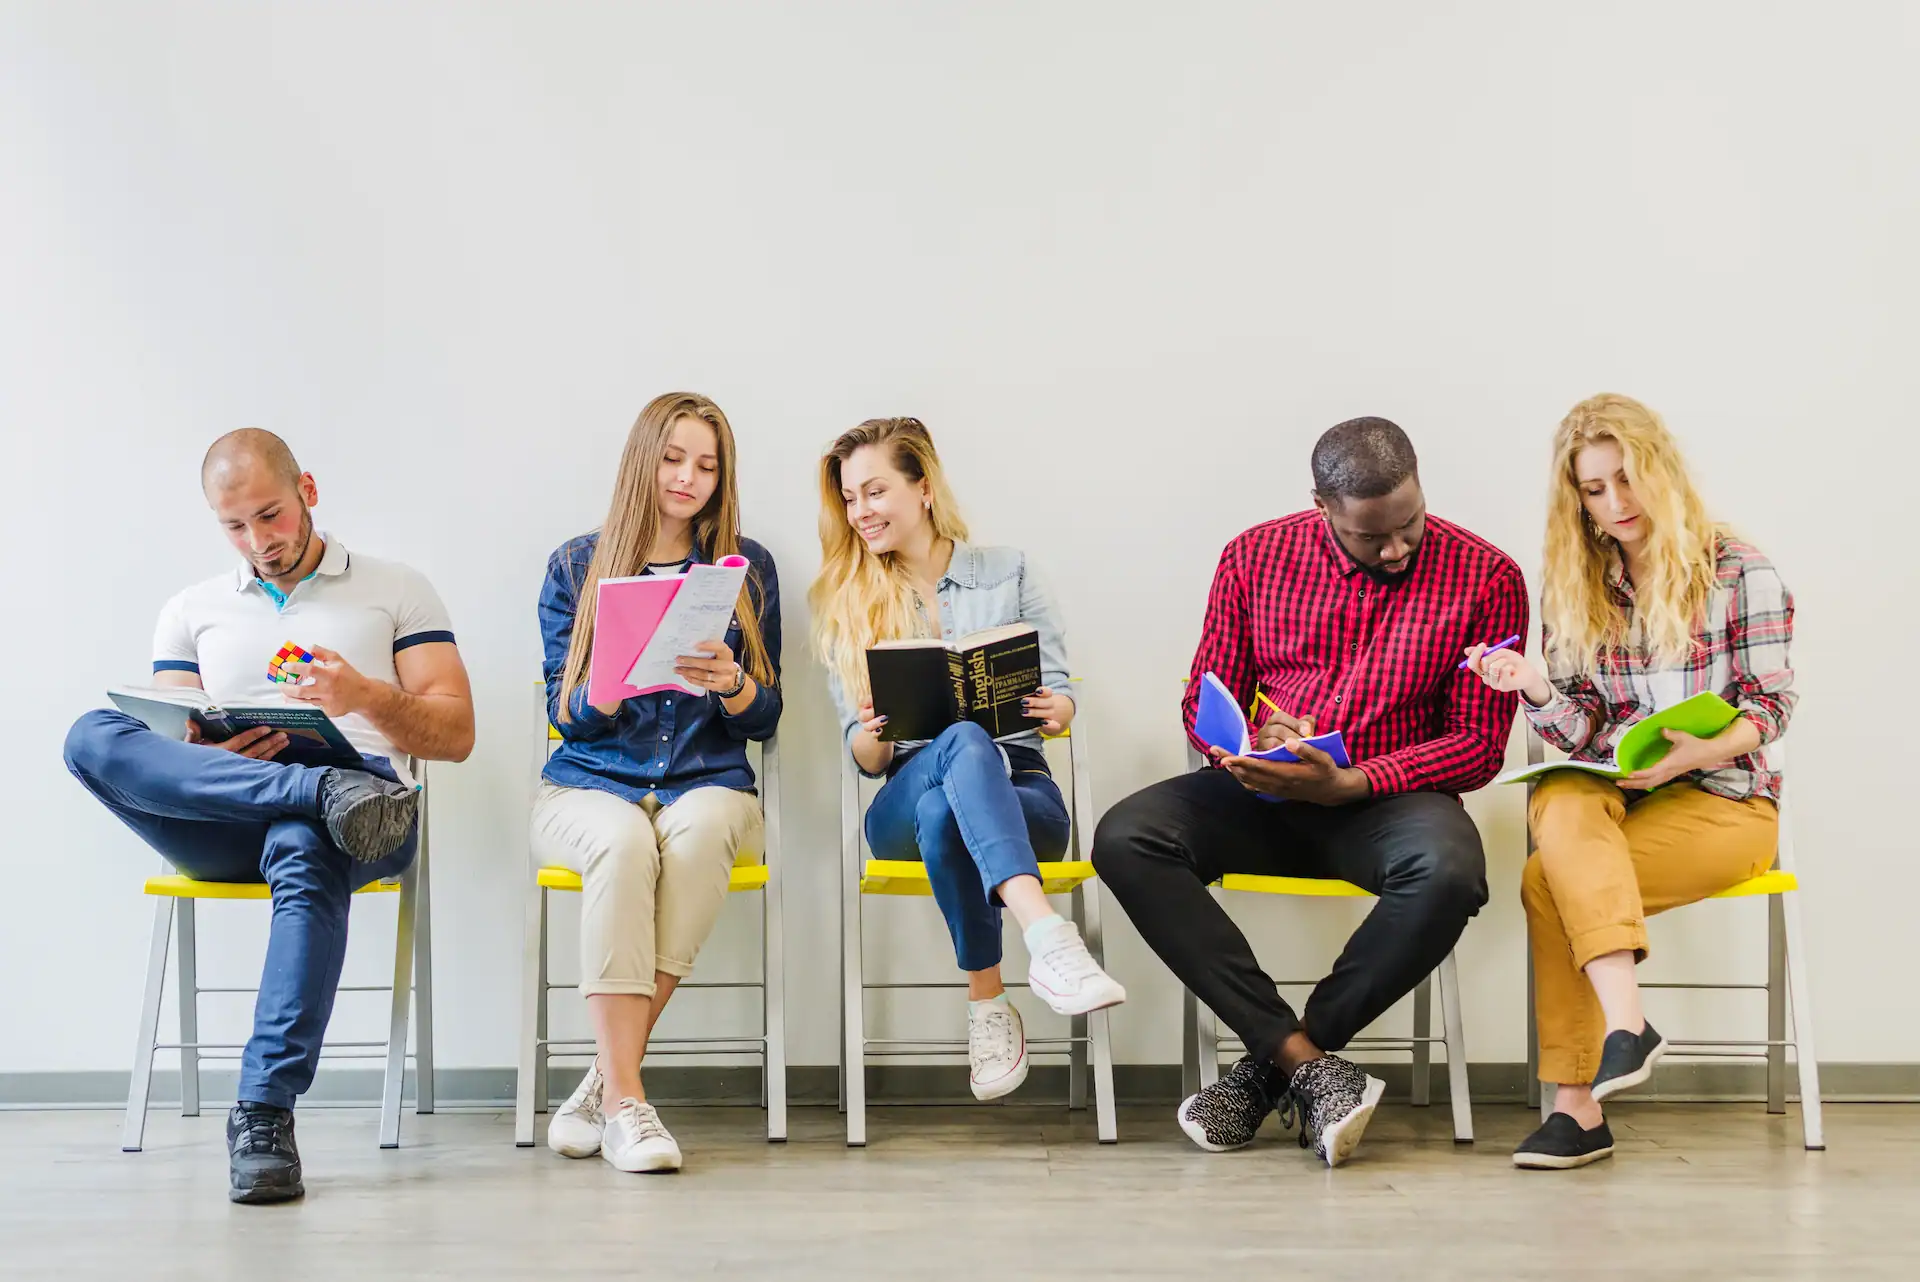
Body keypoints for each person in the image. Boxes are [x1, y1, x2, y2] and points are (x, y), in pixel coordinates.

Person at [1093, 417, 1527, 1167]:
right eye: (1373, 537)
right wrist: (1252, 737)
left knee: (1452, 871)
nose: (1397, 550)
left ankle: (1271, 1069)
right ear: (1322, 506)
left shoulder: (1488, 577)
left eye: (1410, 525)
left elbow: (1478, 744)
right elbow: (1206, 696)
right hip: (1264, 794)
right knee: (1126, 836)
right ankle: (1310, 1066)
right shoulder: (1253, 557)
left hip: (1387, 801)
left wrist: (1357, 780)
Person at [62, 429, 474, 1204]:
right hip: (230, 808)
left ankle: (261, 1112)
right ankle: (309, 791)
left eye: (271, 515)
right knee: (89, 735)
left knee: (303, 843)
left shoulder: (397, 588)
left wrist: (364, 698)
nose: (260, 541)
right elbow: (163, 744)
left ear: (308, 491)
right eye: (235, 526)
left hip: (367, 812)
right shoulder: (191, 610)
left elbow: (456, 734)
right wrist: (210, 754)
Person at [1466, 393, 1795, 1171]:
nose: (1616, 503)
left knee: (1552, 880)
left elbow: (1772, 708)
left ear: (1661, 471)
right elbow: (1580, 727)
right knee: (1563, 795)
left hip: (1726, 801)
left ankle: (1578, 1109)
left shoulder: (1739, 569)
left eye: (1627, 479)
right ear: (1574, 499)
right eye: (1594, 489)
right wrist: (1537, 692)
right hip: (1617, 797)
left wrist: (1692, 755)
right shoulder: (1575, 582)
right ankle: (1627, 1028)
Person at [811, 417, 1125, 1103]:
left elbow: (1063, 695)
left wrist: (1055, 709)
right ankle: (1046, 935)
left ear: (923, 487)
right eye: (849, 498)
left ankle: (989, 1005)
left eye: (875, 491)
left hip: (1022, 793)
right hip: (900, 795)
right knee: (959, 744)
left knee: (947, 807)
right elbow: (865, 759)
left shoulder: (1008, 571)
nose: (860, 511)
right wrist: (874, 728)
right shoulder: (849, 600)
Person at [530, 392, 781, 1174]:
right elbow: (564, 713)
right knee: (623, 841)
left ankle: (609, 1087)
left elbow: (765, 718)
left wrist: (733, 681)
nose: (688, 477)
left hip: (709, 781)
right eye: (674, 458)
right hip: (589, 784)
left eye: (707, 465)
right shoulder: (577, 564)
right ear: (644, 459)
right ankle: (629, 1101)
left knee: (701, 832)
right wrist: (605, 690)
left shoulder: (748, 568)